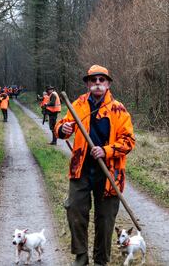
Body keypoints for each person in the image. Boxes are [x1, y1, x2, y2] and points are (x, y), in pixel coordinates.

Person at [54, 65, 135, 266]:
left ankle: (101, 261)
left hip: (109, 174)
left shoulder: (119, 109)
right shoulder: (78, 105)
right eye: (93, 80)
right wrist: (62, 129)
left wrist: (106, 151)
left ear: (107, 84)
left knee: (105, 220)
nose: (97, 83)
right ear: (88, 84)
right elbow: (61, 129)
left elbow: (129, 141)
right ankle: (81, 256)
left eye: (101, 80)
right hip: (81, 169)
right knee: (74, 210)